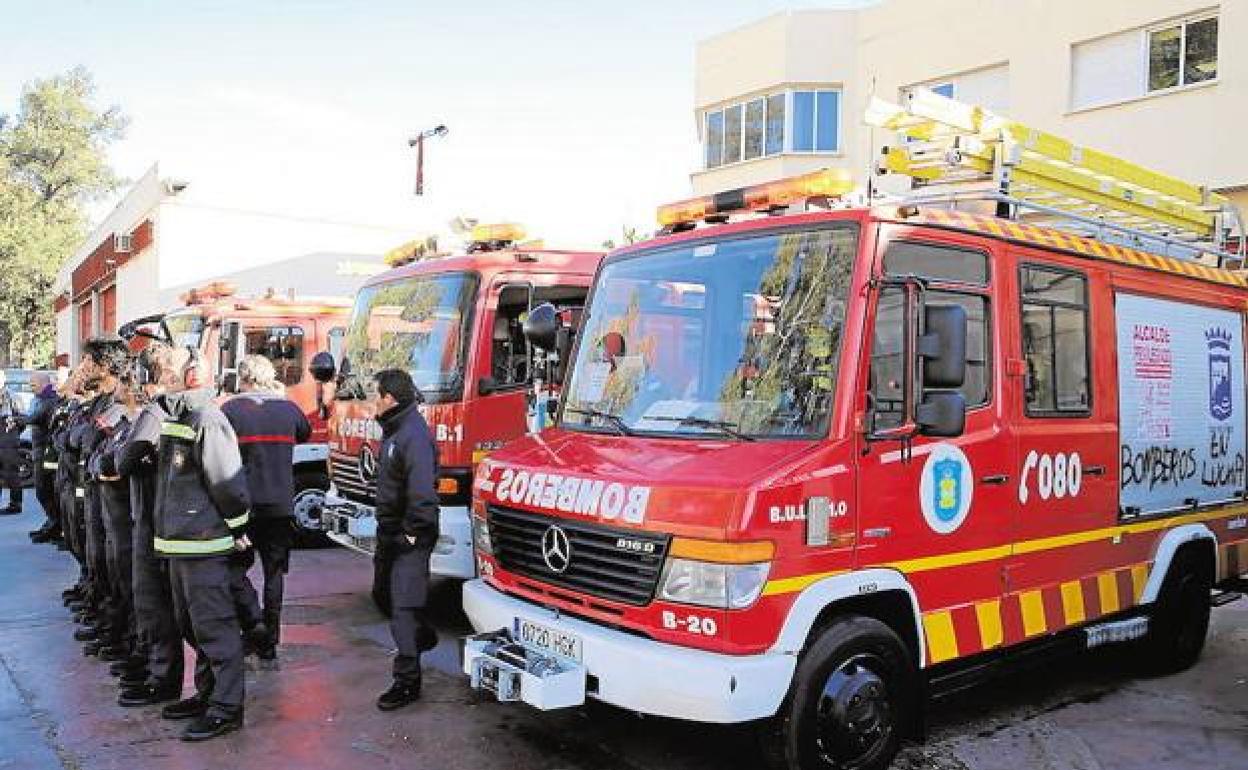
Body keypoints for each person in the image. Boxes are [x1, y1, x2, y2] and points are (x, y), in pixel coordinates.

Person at [153, 346, 251, 741]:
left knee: (215, 627)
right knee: (192, 626)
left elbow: (228, 482)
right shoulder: (179, 414)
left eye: (168, 366)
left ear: (192, 374)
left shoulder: (208, 419)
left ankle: (227, 708)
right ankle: (209, 694)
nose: (160, 371)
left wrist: (238, 528)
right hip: (181, 545)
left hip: (204, 546)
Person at [221, 354, 310, 663]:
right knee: (275, 573)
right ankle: (270, 641)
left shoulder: (231, 410)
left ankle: (253, 621)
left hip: (243, 506)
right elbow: (305, 433)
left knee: (233, 570)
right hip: (281, 504)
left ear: (243, 378)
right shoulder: (289, 409)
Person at [117, 343, 183, 707]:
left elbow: (124, 458)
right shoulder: (167, 411)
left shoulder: (156, 412)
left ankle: (162, 678)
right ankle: (158, 671)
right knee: (157, 601)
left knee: (153, 600)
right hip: (160, 515)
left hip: (154, 519)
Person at [370, 368, 440, 711]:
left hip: (409, 536)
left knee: (402, 607)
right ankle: (422, 635)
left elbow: (423, 493)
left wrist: (411, 533)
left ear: (390, 399)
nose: (372, 401)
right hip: (391, 534)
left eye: (375, 395)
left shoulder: (412, 434)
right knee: (382, 596)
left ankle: (407, 682)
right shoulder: (395, 430)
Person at [28, 371, 62, 541]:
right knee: (42, 491)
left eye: (33, 385)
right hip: (38, 449)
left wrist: (21, 420)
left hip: (46, 451)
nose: (30, 388)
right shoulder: (39, 398)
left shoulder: (50, 400)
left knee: (44, 490)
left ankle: (55, 526)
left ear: (43, 384)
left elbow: (35, 417)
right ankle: (52, 523)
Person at [0, 370, 24, 514]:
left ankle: (15, 504)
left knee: (11, 473)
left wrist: (12, 435)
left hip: (8, 440)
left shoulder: (12, 396)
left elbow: (22, 420)